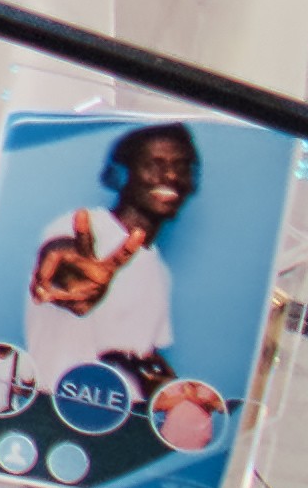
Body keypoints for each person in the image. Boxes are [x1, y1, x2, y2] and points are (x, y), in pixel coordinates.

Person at [23, 122, 197, 389]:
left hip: (120, 423)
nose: (172, 176)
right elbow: (60, 257)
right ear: (120, 174)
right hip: (55, 411)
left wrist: (173, 389)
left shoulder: (160, 270)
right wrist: (67, 280)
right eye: (155, 164)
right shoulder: (82, 227)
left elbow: (137, 354)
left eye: (182, 167)